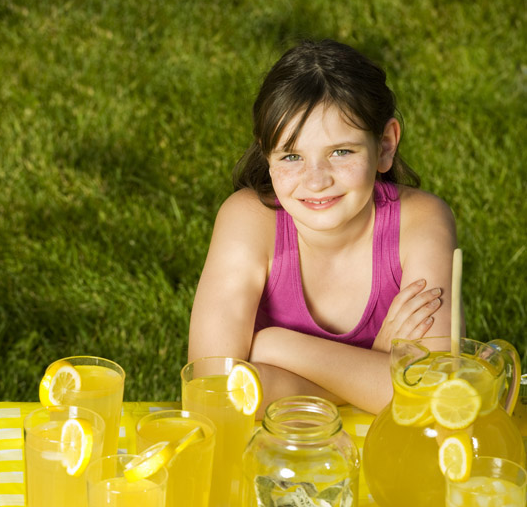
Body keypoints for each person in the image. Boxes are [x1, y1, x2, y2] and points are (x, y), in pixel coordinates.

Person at [188, 38, 459, 415]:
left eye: (341, 152)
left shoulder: (421, 222)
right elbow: (211, 394)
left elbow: (431, 399)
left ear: (384, 145)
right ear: (267, 157)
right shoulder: (248, 221)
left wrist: (276, 347)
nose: (316, 181)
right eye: (292, 156)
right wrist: (375, 365)